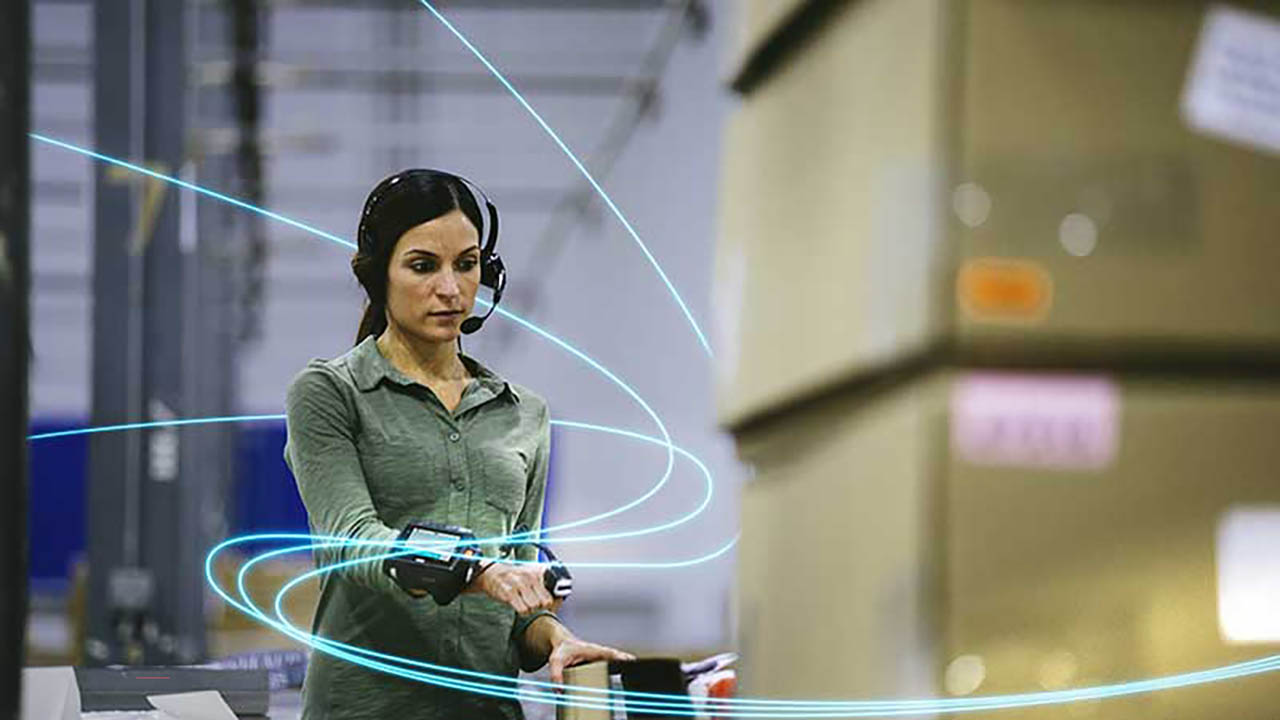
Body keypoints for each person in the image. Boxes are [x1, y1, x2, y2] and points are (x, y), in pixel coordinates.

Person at [283, 169, 633, 719]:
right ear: (379, 275)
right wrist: (481, 572)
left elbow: (518, 606)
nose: (450, 289)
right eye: (423, 266)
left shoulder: (524, 416)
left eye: (467, 265)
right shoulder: (330, 393)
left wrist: (555, 637)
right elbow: (354, 541)